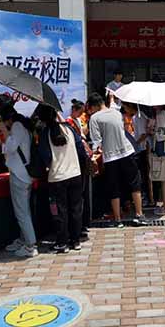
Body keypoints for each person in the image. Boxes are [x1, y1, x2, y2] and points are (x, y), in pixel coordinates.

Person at [87, 93, 148, 227]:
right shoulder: (117, 113)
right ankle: (139, 215)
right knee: (135, 183)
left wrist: (94, 155)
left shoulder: (94, 118)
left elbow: (96, 142)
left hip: (110, 157)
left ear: (94, 106)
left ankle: (118, 219)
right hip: (127, 152)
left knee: (114, 187)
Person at [35, 104, 86, 253]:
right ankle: (76, 240)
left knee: (59, 211)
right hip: (75, 174)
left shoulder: (45, 134)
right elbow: (80, 148)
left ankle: (62, 242)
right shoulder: (68, 129)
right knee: (75, 209)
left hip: (57, 178)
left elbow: (46, 157)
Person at [0, 106, 38, 258]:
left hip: (19, 174)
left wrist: (4, 131)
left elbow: (11, 147)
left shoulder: (17, 126)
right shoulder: (23, 125)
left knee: (21, 212)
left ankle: (30, 245)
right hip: (24, 173)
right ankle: (24, 240)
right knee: (24, 210)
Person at [65, 99, 92, 240]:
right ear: (74, 110)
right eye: (80, 112)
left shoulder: (77, 121)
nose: (81, 115)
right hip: (77, 161)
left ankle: (82, 225)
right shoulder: (68, 122)